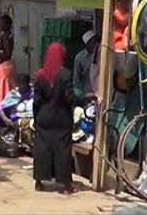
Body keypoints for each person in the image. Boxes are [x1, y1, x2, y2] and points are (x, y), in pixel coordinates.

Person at [33, 42, 96, 194]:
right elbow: (70, 99)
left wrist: (37, 118)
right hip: (61, 120)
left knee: (42, 150)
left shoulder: (41, 75)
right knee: (62, 151)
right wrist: (87, 98)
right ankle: (66, 184)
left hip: (44, 119)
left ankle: (39, 182)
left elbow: (36, 101)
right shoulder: (65, 74)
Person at [0, 73, 35, 150]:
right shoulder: (14, 93)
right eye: (20, 84)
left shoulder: (34, 92)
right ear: (18, 83)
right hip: (17, 117)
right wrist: (6, 119)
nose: (22, 86)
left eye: (24, 84)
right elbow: (1, 108)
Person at [0, 15, 16, 114]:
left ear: (7, 24)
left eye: (2, 23)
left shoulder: (8, 37)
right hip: (3, 65)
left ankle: (4, 109)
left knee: (3, 88)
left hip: (5, 66)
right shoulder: (4, 35)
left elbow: (7, 53)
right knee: (1, 88)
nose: (0, 25)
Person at [73, 30, 101, 98]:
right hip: (87, 95)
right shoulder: (80, 58)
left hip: (101, 93)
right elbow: (77, 81)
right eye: (92, 42)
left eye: (96, 41)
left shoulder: (102, 54)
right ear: (87, 44)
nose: (96, 44)